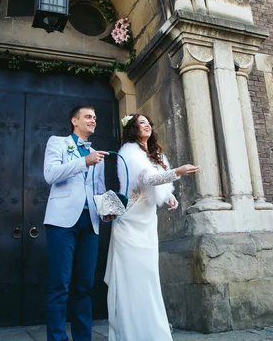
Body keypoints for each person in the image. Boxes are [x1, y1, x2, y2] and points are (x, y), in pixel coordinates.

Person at [104, 114, 199, 341]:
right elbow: (147, 179)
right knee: (135, 276)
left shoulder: (155, 154)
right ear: (132, 129)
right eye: (140, 123)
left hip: (147, 221)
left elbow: (160, 184)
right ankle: (132, 331)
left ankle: (151, 330)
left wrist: (169, 197)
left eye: (147, 122)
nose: (146, 125)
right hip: (130, 221)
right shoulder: (129, 151)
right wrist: (177, 172)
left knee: (149, 274)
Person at [43, 106, 110, 341]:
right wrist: (84, 161)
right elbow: (50, 175)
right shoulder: (58, 142)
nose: (94, 120)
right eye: (89, 117)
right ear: (75, 120)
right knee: (59, 286)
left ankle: (83, 338)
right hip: (62, 222)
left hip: (90, 223)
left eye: (95, 117)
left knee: (84, 286)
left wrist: (106, 211)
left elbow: (98, 189)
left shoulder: (97, 155)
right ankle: (58, 338)